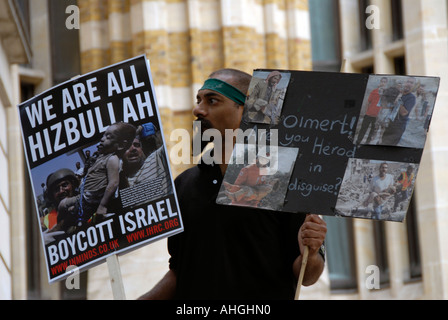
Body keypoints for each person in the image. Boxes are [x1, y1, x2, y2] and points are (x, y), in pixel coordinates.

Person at [138, 69, 327, 300]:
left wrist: (313, 251)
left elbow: (306, 276)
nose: (198, 109)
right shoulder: (184, 184)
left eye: (212, 100)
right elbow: (180, 271)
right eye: (198, 100)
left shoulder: (281, 178)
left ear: (246, 110)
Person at [58, 122, 136, 231]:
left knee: (69, 220)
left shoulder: (112, 159)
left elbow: (113, 183)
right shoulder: (100, 157)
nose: (102, 139)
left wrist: (102, 205)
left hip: (90, 201)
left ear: (121, 145)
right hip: (83, 197)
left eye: (108, 137)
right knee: (63, 206)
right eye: (104, 135)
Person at [120, 124, 173, 206]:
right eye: (127, 147)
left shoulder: (156, 158)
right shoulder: (119, 180)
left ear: (141, 149)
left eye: (136, 145)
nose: (133, 149)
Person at [381, 77, 417, 145]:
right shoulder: (398, 93)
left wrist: (398, 100)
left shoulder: (411, 98)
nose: (408, 84)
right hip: (389, 124)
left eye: (411, 83)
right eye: (407, 82)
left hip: (398, 127)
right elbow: (386, 106)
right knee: (383, 142)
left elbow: (404, 113)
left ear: (414, 85)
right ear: (404, 83)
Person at [356, 77, 388, 144]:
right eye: (382, 81)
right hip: (369, 114)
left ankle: (367, 144)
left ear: (386, 83)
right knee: (363, 129)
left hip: (377, 116)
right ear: (380, 82)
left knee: (372, 131)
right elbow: (368, 102)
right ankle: (357, 142)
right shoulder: (374, 91)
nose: (383, 83)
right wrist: (366, 112)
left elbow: (386, 105)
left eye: (384, 82)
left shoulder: (387, 93)